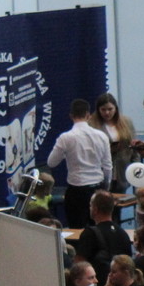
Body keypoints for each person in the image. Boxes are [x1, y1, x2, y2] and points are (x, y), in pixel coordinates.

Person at [46, 98, 113, 229]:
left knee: (76, 229)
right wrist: (106, 186)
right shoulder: (102, 136)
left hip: (76, 190)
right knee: (100, 227)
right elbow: (107, 166)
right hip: (97, 186)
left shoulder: (66, 138)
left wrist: (65, 153)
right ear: (88, 115)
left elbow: (51, 162)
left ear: (71, 116)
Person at [76, 189, 134, 285]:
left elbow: (79, 267)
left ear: (95, 209)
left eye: (90, 205)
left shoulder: (89, 233)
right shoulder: (123, 234)